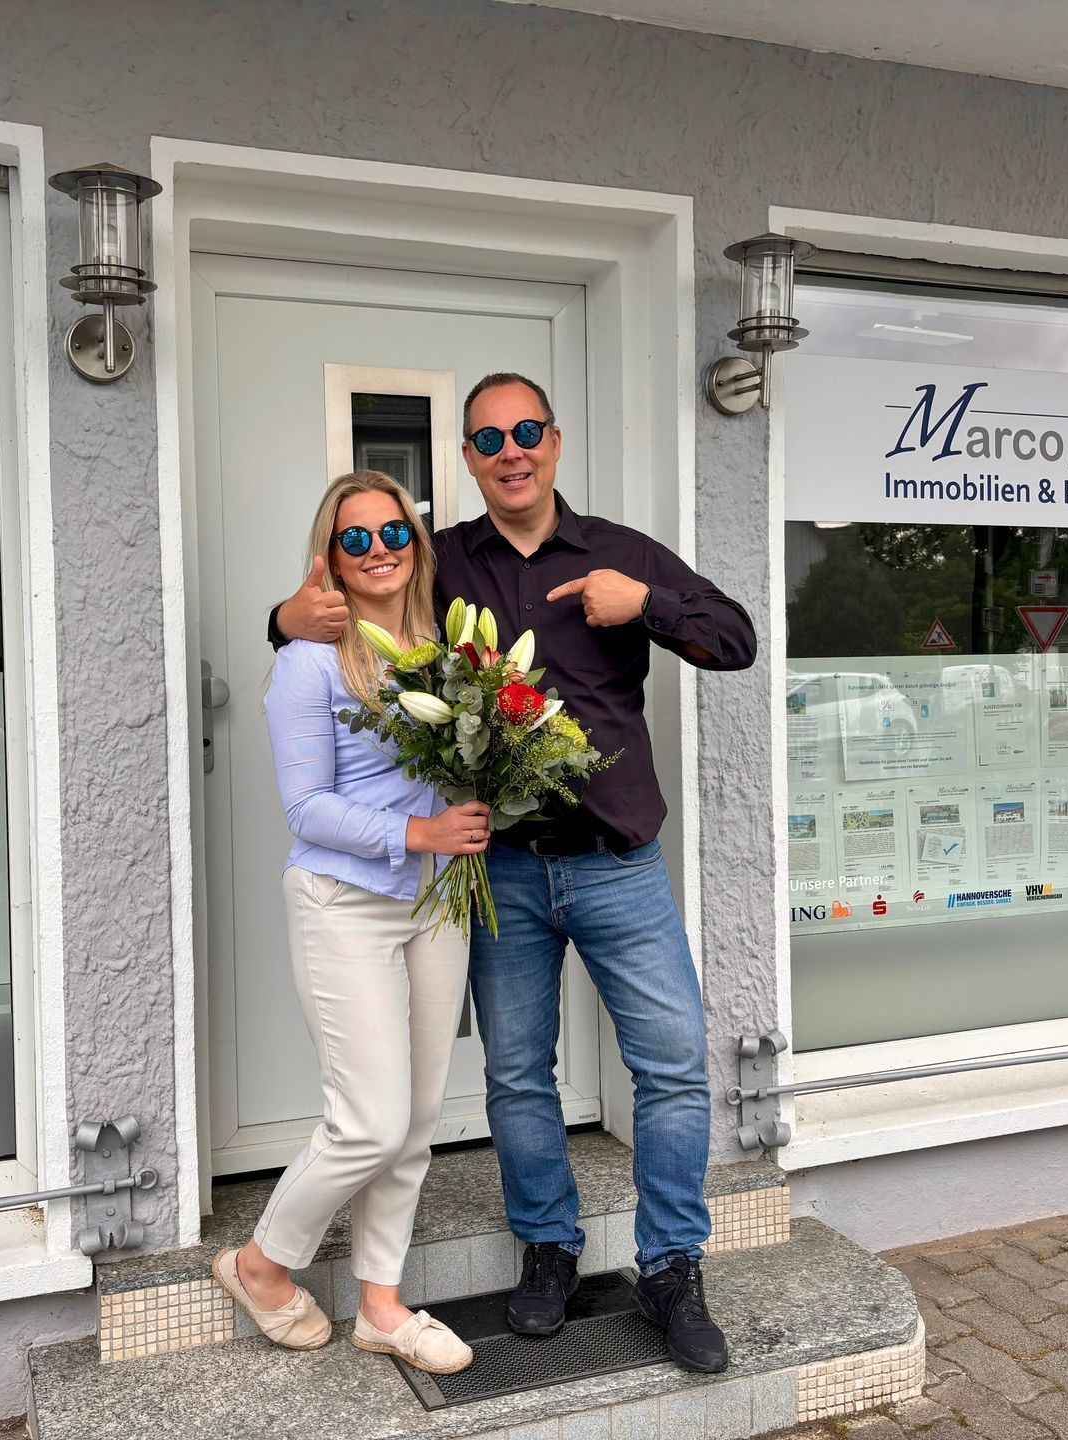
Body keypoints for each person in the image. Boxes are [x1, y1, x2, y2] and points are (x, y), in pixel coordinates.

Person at [272, 374, 756, 1374]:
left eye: (526, 431)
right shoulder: (437, 561)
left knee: (671, 1067)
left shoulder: (621, 553)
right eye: (489, 439)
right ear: (467, 458)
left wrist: (648, 605)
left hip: (619, 864)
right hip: (501, 875)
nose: (511, 451)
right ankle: (548, 1251)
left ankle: (672, 1268)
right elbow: (327, 624)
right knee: (517, 1076)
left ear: (555, 440)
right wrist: (285, 616)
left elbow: (736, 640)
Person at [215, 470, 490, 1377]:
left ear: (417, 544)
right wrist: (419, 832)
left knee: (415, 1120)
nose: (379, 550)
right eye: (356, 537)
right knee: (367, 1121)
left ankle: (381, 1305)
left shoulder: (446, 650)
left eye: (393, 533)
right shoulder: (310, 658)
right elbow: (307, 808)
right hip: (345, 903)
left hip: (435, 902)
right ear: (330, 558)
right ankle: (261, 1265)